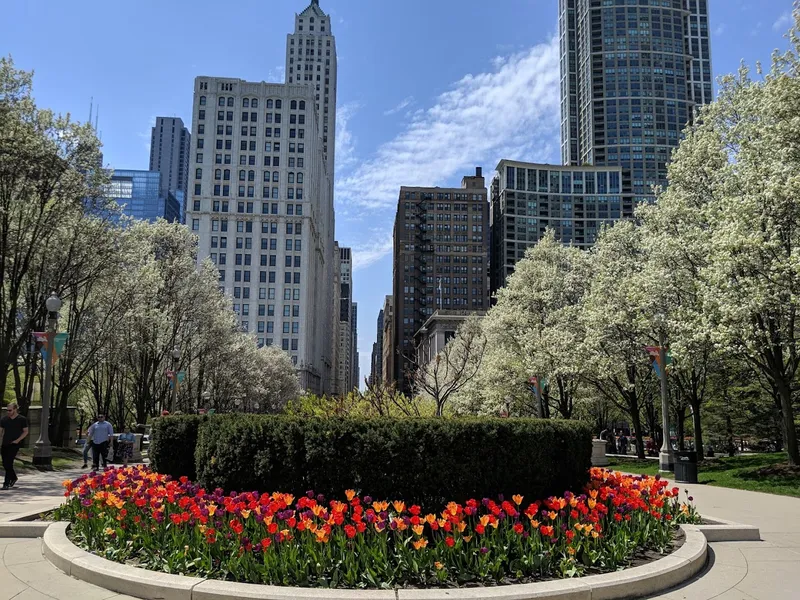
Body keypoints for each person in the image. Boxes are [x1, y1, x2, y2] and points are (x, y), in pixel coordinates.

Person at [1, 403, 29, 490]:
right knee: (5, 464)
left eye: (10, 410)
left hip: (14, 444)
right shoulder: (4, 419)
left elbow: (26, 431)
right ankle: (13, 477)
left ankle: (6, 483)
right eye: (7, 410)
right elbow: (0, 431)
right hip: (5, 444)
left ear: (15, 409)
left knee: (9, 462)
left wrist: (17, 440)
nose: (8, 412)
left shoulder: (22, 419)